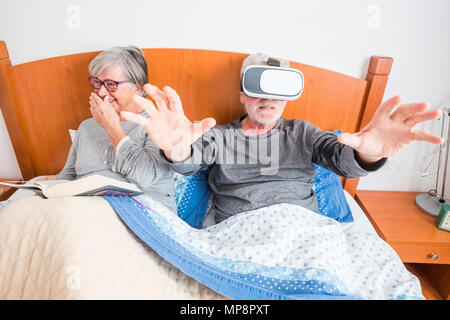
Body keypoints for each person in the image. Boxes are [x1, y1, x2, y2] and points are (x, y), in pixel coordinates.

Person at [121, 53, 443, 223]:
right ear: (243, 97)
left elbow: (341, 159)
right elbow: (191, 160)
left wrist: (369, 154)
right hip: (240, 232)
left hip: (304, 230)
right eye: (258, 87)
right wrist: (177, 150)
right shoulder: (219, 136)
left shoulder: (303, 132)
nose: (268, 98)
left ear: (288, 98)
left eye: (278, 90)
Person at [38, 46, 177, 212]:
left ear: (138, 87)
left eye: (111, 84)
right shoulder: (87, 127)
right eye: (97, 83)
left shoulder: (156, 124)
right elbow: (69, 175)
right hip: (85, 211)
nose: (101, 92)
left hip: (143, 213)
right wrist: (48, 182)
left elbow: (144, 177)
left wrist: (112, 127)